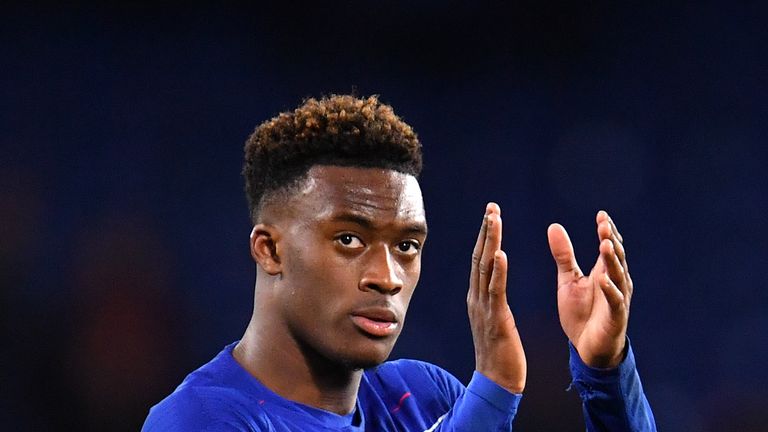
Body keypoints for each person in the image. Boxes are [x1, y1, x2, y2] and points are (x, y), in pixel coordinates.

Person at [142, 95, 656, 431]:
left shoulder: (423, 400)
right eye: (348, 239)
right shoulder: (196, 421)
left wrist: (606, 376)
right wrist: (493, 395)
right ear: (270, 250)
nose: (386, 277)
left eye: (407, 246)